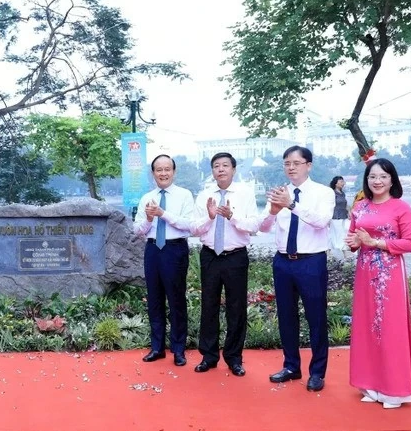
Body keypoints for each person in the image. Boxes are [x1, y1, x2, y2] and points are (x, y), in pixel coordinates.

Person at [345, 158, 411, 409]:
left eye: (383, 176)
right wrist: (354, 243)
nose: (377, 181)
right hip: (365, 273)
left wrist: (376, 243)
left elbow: (410, 243)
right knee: (366, 326)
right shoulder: (360, 207)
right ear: (366, 180)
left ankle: (395, 391)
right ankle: (370, 385)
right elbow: (354, 238)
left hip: (390, 275)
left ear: (392, 180)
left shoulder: (401, 208)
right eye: (372, 177)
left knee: (390, 327)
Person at [259, 145, 334, 392]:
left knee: (316, 317)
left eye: (296, 163)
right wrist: (272, 212)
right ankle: (291, 366)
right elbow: (264, 227)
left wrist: (291, 205)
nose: (291, 168)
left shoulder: (323, 192)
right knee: (286, 316)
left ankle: (317, 372)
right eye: (287, 163)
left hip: (311, 261)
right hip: (283, 261)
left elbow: (321, 221)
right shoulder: (279, 193)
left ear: (308, 165)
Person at [190, 153, 259, 377]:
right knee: (208, 305)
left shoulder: (245, 193)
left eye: (225, 165)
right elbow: (194, 228)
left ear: (234, 169)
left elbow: (254, 226)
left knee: (236, 308)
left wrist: (232, 216)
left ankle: (234, 358)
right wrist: (210, 217)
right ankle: (208, 356)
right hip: (210, 255)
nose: (221, 169)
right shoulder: (204, 195)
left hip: (235, 257)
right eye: (216, 166)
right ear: (212, 171)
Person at [133, 154, 196, 367]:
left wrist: (163, 213)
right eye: (159, 170)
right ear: (153, 173)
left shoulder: (184, 195)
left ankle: (178, 349)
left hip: (174, 249)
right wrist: (149, 218)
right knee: (154, 299)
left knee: (176, 300)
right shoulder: (146, 197)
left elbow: (189, 225)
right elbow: (137, 230)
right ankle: (157, 347)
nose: (163, 173)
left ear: (174, 171)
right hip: (153, 250)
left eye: (167, 169)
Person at [328, 176, 350, 260]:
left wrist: (349, 212)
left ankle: (330, 251)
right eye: (341, 181)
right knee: (338, 234)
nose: (343, 183)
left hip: (343, 216)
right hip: (335, 216)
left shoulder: (342, 193)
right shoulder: (332, 193)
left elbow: (345, 205)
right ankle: (343, 253)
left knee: (341, 233)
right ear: (336, 183)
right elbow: (329, 205)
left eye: (343, 181)